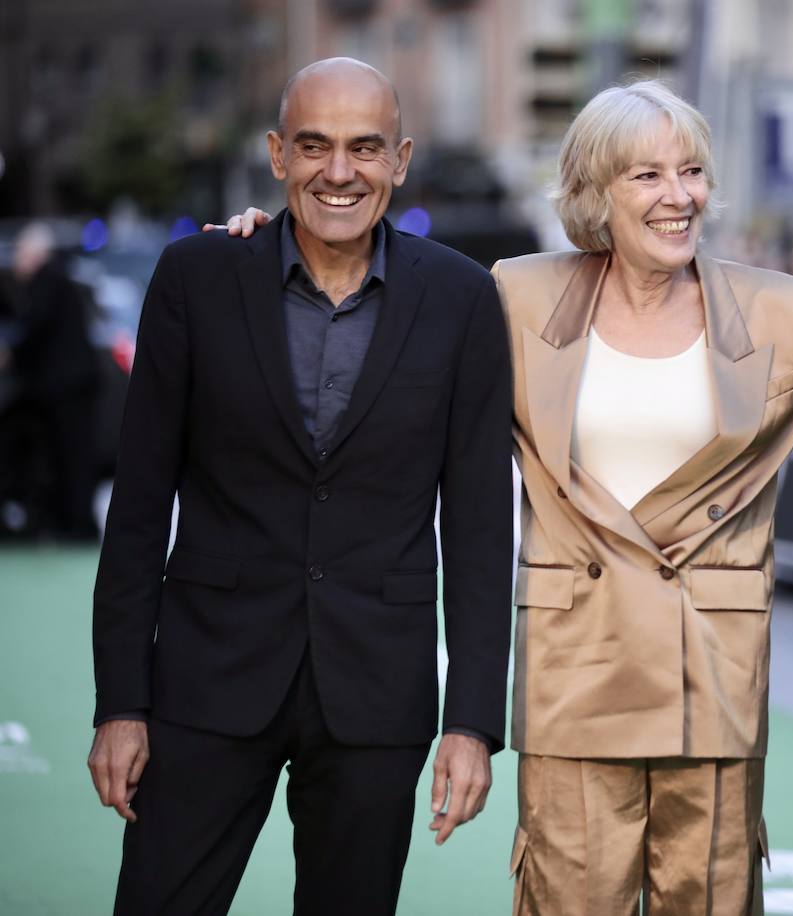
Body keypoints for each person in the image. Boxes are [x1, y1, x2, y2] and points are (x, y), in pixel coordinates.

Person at [222, 78, 793, 915]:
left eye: (692, 171)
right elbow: (378, 316)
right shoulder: (515, 297)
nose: (679, 196)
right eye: (648, 174)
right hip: (575, 686)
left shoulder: (778, 311)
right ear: (595, 189)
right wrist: (276, 247)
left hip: (708, 685)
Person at [87, 58, 512, 915]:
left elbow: (477, 527)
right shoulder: (197, 278)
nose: (339, 172)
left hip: (376, 694)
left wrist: (471, 722)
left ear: (401, 157)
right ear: (278, 155)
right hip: (207, 679)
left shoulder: (464, 298)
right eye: (314, 146)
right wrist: (121, 703)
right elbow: (137, 510)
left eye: (364, 148)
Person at [9, 221, 101, 541]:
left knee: (71, 455)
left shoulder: (48, 279)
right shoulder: (61, 277)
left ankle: (76, 524)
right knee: (71, 455)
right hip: (72, 383)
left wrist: (11, 352)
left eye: (21, 251)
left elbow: (35, 328)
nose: (17, 259)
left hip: (67, 386)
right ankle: (74, 521)